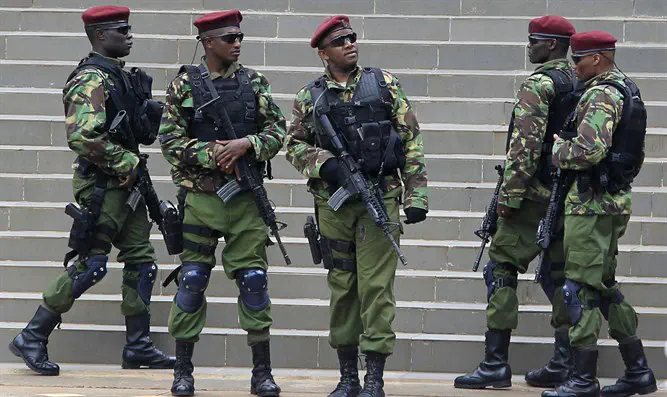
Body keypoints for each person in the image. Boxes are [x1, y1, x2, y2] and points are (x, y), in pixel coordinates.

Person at [8, 5, 174, 376]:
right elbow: (82, 136)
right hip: (104, 183)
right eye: (121, 29)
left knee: (142, 261)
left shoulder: (120, 78)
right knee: (90, 264)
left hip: (127, 184)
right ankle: (32, 335)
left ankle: (138, 347)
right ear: (100, 36)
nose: (129, 35)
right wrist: (126, 162)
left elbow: (136, 133)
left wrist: (149, 115)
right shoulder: (91, 79)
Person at [285, 15, 428, 397]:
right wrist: (327, 165)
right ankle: (348, 376)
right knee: (342, 286)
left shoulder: (383, 84)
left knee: (377, 289)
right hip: (333, 207)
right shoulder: (309, 96)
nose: (350, 44)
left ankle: (374, 378)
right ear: (322, 53)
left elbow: (410, 138)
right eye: (340, 41)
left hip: (379, 197)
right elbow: (293, 145)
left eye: (351, 37)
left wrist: (417, 195)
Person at [158, 10, 286, 397]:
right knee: (192, 281)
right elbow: (170, 142)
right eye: (228, 37)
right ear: (207, 42)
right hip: (201, 200)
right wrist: (212, 152)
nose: (237, 43)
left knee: (254, 282)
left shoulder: (254, 83)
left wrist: (248, 144)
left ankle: (261, 372)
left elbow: (278, 132)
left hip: (246, 202)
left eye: (239, 37)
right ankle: (183, 371)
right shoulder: (184, 86)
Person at [455, 15, 579, 391]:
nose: (530, 46)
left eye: (535, 40)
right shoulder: (580, 80)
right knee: (559, 275)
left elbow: (523, 148)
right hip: (567, 195)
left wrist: (508, 198)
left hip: (532, 195)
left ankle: (495, 364)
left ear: (554, 45)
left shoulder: (540, 84)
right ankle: (565, 362)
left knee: (502, 271)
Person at [542, 30, 656, 397]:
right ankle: (639, 371)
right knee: (605, 287)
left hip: (591, 206)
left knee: (581, 289)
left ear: (597, 58)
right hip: (610, 202)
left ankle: (582, 379)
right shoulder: (626, 88)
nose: (573, 66)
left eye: (578, 60)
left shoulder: (601, 93)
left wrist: (558, 151)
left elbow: (589, 150)